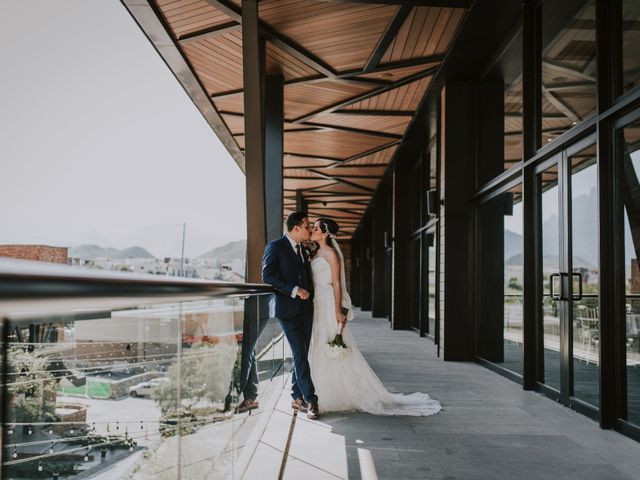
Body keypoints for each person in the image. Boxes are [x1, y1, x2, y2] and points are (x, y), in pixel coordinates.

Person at [308, 218, 442, 416]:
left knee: (329, 340)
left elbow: (337, 283)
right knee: (317, 343)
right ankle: (317, 390)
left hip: (327, 301)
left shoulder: (332, 254)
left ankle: (336, 393)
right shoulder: (313, 252)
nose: (313, 229)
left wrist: (338, 310)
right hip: (315, 302)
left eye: (316, 228)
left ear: (325, 233)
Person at [261, 212, 319, 419]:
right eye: (307, 227)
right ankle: (311, 399)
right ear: (295, 228)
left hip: (306, 310)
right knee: (300, 353)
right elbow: (267, 275)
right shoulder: (275, 247)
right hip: (287, 311)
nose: (309, 230)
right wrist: (294, 289)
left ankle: (296, 397)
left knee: (301, 353)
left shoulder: (304, 249)